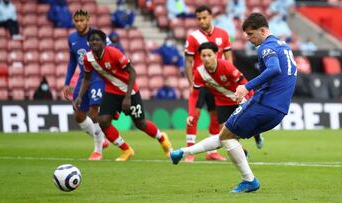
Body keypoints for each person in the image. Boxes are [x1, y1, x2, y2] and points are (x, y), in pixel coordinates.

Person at [170, 13, 297, 193]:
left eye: (251, 34)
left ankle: (249, 180)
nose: (248, 38)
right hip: (279, 110)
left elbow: (274, 69)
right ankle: (182, 152)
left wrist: (247, 87)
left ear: (263, 30)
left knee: (227, 137)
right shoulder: (283, 46)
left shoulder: (265, 47)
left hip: (264, 104)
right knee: (226, 135)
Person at [74, 29, 173, 161]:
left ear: (104, 42)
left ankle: (162, 138)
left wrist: (127, 98)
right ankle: (126, 150)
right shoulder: (88, 58)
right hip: (111, 91)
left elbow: (132, 71)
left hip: (129, 91)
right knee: (103, 121)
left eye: (97, 39)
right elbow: (87, 78)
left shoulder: (114, 53)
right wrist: (80, 96)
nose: (94, 42)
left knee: (140, 123)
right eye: (91, 40)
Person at [63, 9, 127, 161]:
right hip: (84, 78)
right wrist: (67, 82)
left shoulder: (97, 36)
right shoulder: (72, 38)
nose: (79, 24)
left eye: (82, 20)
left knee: (94, 112)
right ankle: (102, 139)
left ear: (88, 20)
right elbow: (72, 61)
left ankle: (98, 151)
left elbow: (114, 52)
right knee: (78, 116)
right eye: (76, 21)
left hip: (99, 76)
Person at [184, 5, 233, 162]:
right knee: (193, 115)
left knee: (215, 117)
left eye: (204, 17)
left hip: (217, 85)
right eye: (198, 18)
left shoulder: (223, 34)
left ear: (211, 16)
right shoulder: (193, 37)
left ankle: (211, 152)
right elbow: (188, 62)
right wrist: (191, 83)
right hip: (201, 83)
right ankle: (189, 151)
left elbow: (229, 59)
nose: (201, 21)